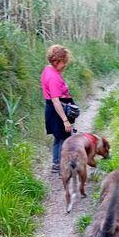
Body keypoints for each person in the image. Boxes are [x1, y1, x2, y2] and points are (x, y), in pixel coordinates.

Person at [41, 44, 76, 173]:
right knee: (64, 138)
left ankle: (56, 164)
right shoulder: (53, 77)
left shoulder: (49, 69)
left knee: (58, 137)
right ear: (56, 61)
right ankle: (63, 166)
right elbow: (56, 101)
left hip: (52, 109)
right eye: (63, 62)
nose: (65, 64)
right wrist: (65, 120)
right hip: (58, 110)